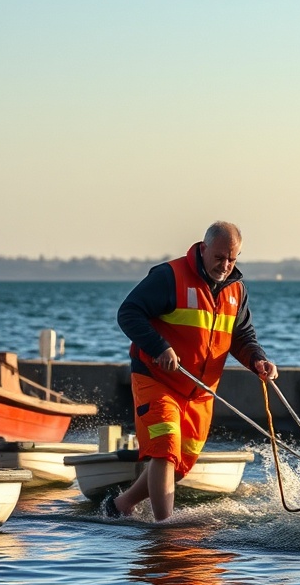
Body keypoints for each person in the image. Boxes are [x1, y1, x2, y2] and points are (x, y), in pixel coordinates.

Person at [108, 221, 278, 521]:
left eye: (232, 259)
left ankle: (121, 504)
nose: (225, 265)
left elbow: (242, 336)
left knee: (179, 465)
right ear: (203, 248)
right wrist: (159, 347)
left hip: (200, 392)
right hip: (157, 380)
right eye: (219, 257)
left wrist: (257, 361)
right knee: (165, 449)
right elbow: (128, 313)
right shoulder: (169, 276)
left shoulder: (237, 290)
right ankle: (165, 528)